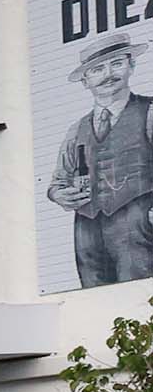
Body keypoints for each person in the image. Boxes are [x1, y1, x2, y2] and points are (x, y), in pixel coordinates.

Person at [49, 40, 153, 289]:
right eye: (97, 69)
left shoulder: (150, 112)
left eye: (116, 64)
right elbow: (57, 182)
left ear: (131, 66)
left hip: (138, 226)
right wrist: (59, 194)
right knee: (93, 304)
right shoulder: (76, 129)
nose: (108, 75)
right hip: (87, 231)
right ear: (85, 81)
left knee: (140, 301)